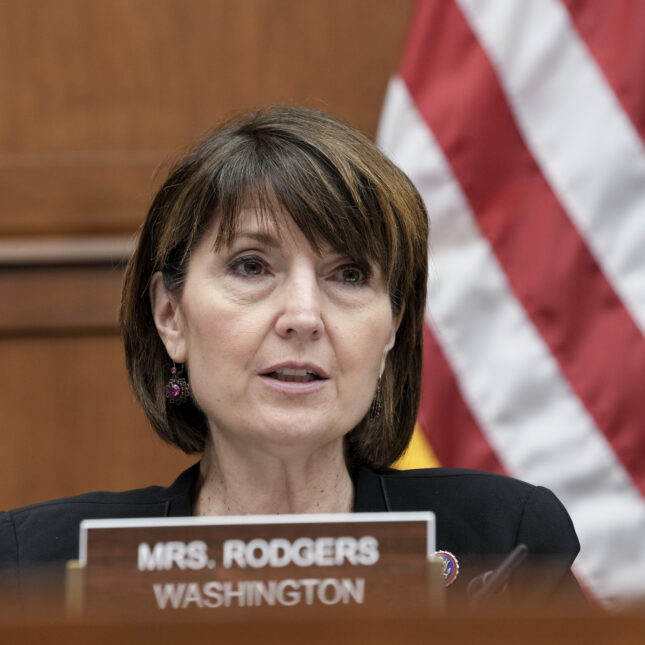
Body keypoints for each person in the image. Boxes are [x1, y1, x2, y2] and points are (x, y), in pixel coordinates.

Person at [0, 106, 582, 605]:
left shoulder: (504, 546)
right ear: (170, 316)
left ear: (390, 332)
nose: (303, 316)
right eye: (252, 266)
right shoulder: (34, 568)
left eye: (349, 274)